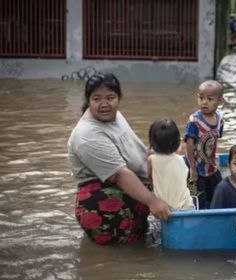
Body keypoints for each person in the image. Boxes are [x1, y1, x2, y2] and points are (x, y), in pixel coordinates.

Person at [67, 73, 171, 245]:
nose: (104, 104)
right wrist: (154, 202)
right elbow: (120, 174)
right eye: (97, 99)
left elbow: (134, 151)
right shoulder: (86, 135)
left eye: (110, 97)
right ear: (88, 100)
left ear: (119, 97)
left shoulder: (114, 115)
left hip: (133, 197)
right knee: (125, 257)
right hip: (106, 211)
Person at [184, 80, 225, 209]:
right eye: (201, 98)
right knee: (198, 200)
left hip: (211, 167)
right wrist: (192, 168)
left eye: (209, 99)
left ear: (220, 101)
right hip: (196, 169)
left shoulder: (220, 120)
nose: (204, 102)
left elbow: (215, 142)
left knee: (218, 195)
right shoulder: (194, 121)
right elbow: (189, 145)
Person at [147, 118, 195, 210]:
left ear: (152, 142)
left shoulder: (151, 160)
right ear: (177, 143)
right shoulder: (182, 160)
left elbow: (149, 177)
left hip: (165, 209)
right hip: (186, 206)